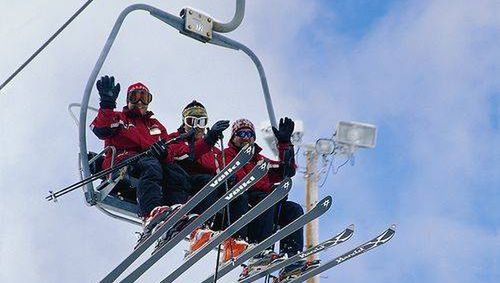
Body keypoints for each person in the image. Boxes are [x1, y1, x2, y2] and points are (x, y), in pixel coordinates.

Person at [90, 76, 228, 248]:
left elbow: (170, 152)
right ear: (127, 100)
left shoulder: (155, 125)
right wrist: (107, 103)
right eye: (135, 97)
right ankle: (150, 214)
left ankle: (178, 212)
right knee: (151, 165)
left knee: (175, 171)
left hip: (149, 161)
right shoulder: (118, 118)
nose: (140, 102)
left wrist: (162, 152)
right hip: (123, 161)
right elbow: (100, 129)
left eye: (144, 98)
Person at [222, 118, 304, 265]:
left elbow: (287, 170)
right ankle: (259, 250)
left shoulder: (259, 160)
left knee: (293, 209)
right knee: (266, 199)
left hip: (264, 204)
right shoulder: (227, 155)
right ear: (233, 137)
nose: (245, 138)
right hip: (242, 203)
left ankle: (290, 256)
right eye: (241, 133)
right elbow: (237, 179)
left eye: (249, 134)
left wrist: (285, 144)